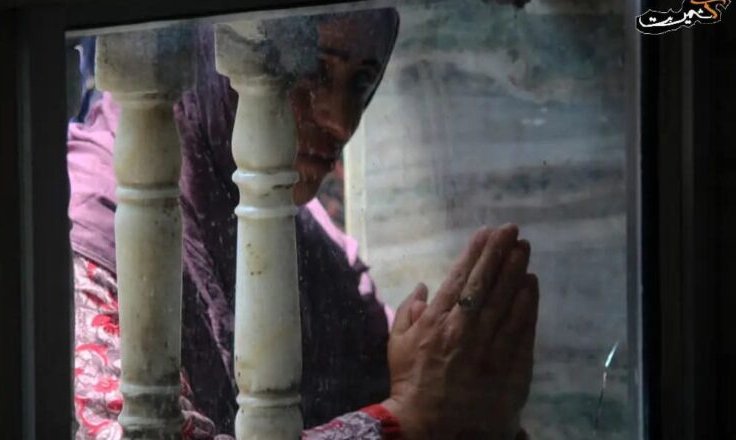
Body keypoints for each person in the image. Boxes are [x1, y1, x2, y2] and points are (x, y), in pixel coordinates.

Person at [68, 8, 539, 440]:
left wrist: (473, 405)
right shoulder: (95, 223)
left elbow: (427, 387)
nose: (342, 123)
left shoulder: (298, 232)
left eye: (360, 82)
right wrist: (405, 420)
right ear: (215, 55)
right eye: (309, 69)